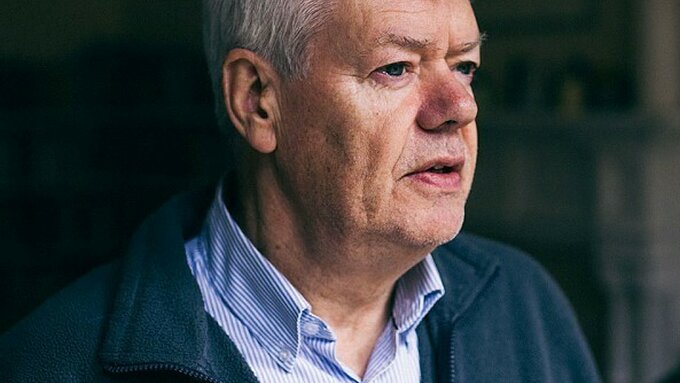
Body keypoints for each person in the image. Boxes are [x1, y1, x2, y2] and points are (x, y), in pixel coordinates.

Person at [0, 0, 602, 382]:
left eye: (464, 66)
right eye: (395, 69)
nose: (460, 107)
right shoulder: (51, 362)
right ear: (258, 100)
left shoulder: (526, 306)